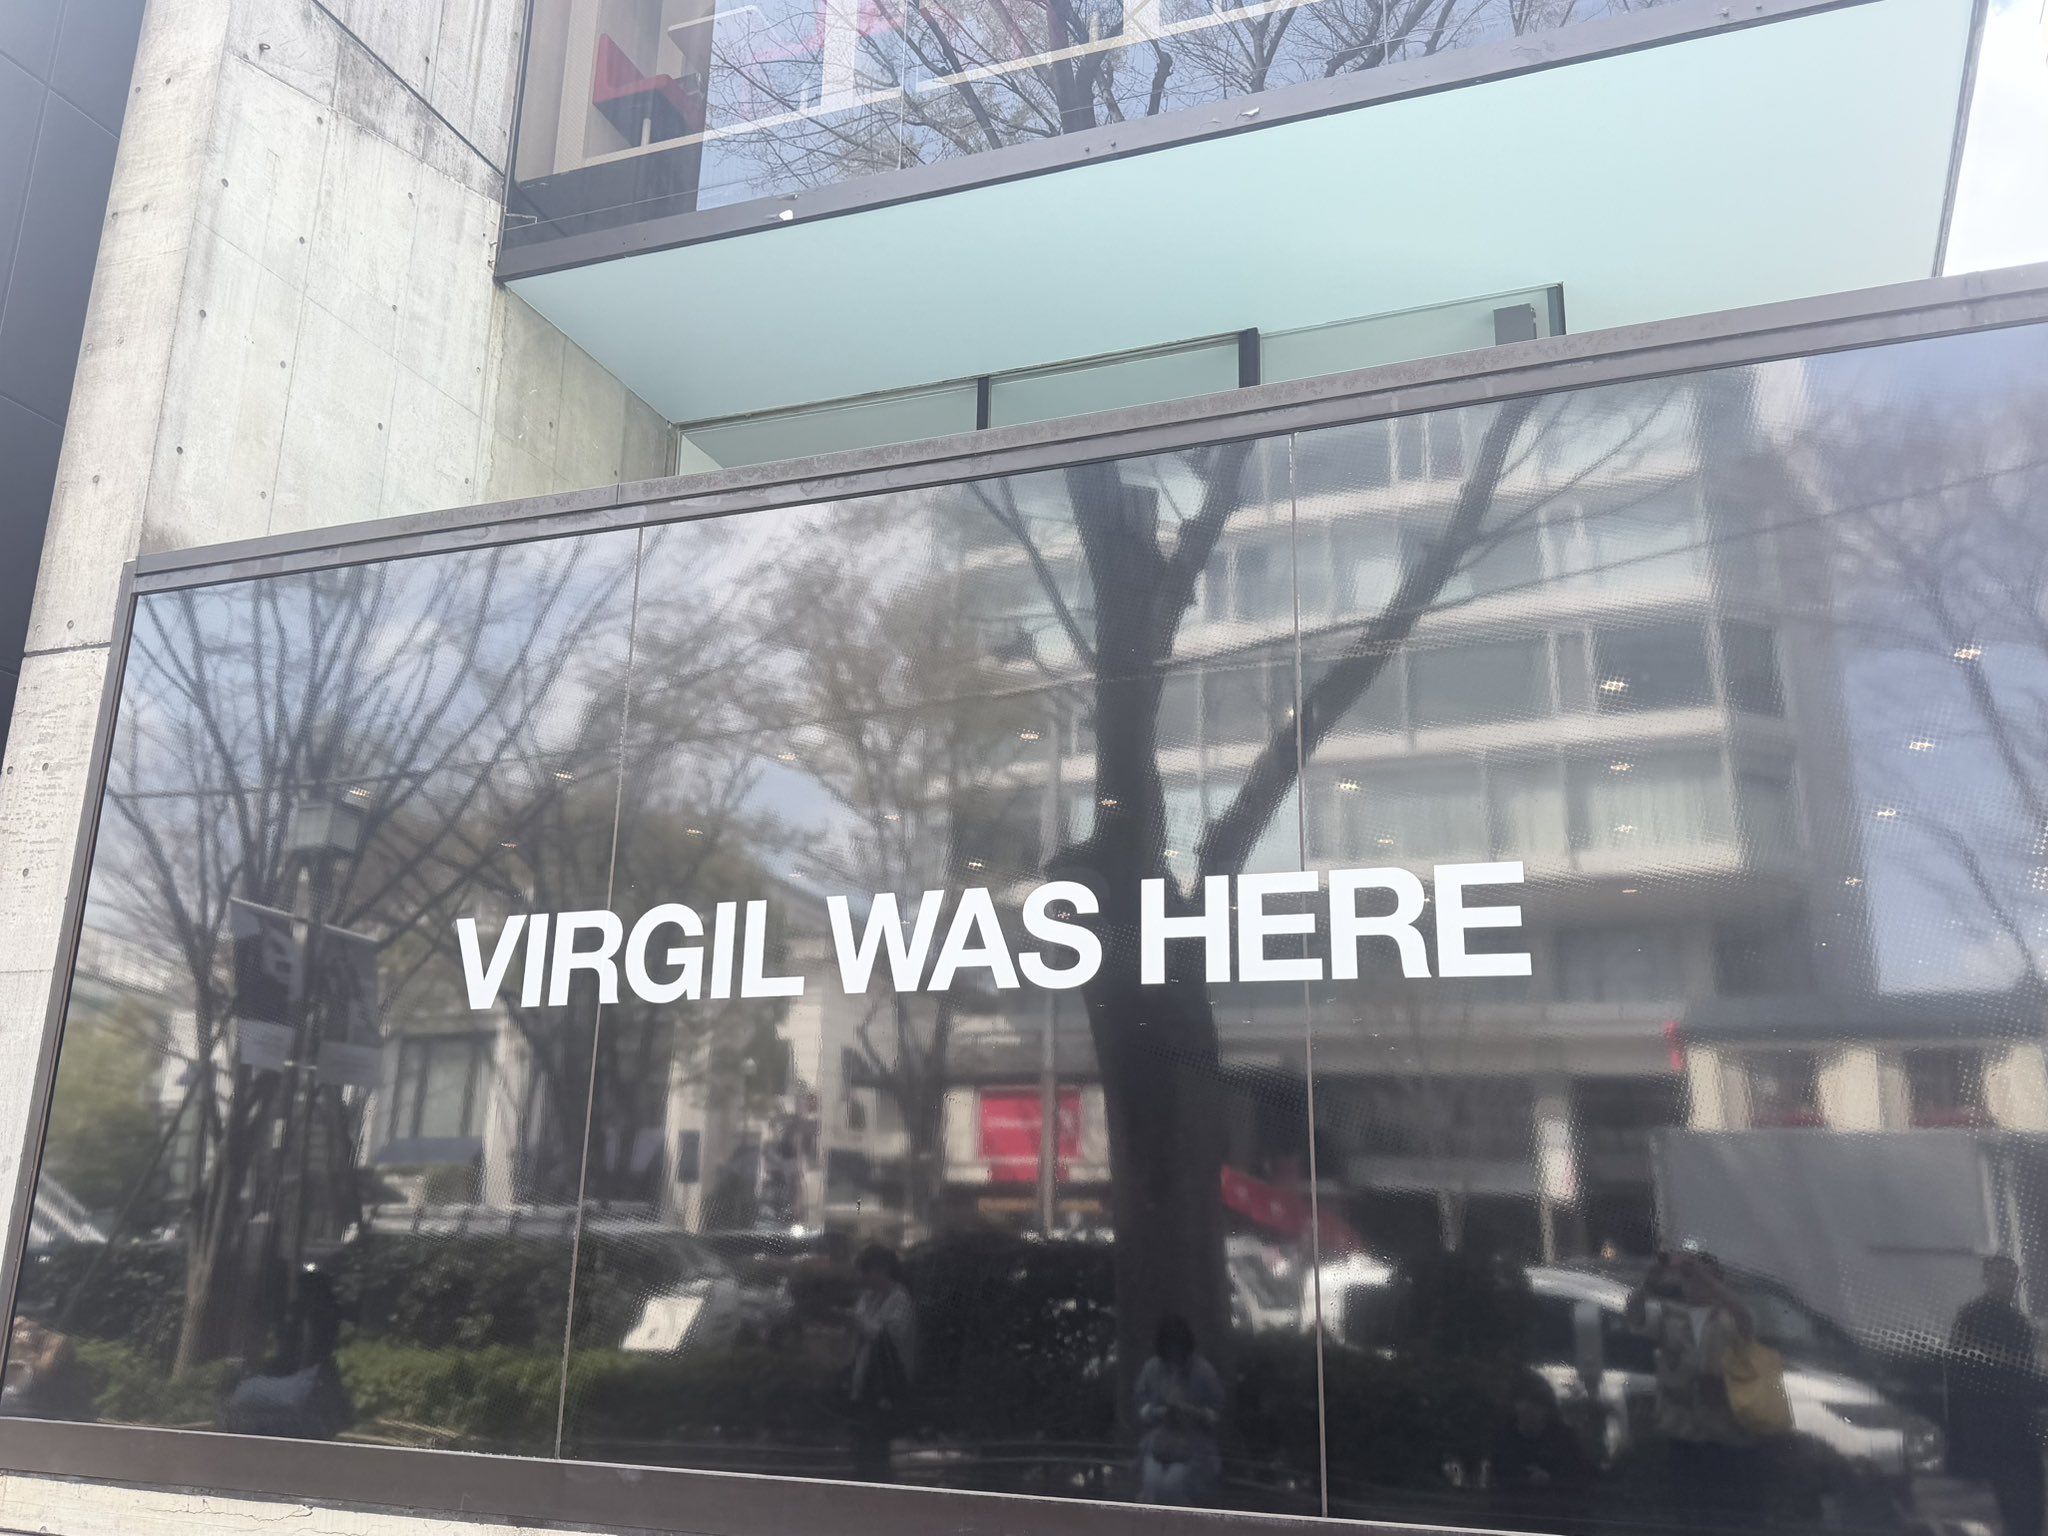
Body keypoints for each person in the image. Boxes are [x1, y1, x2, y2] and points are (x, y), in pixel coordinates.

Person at [1625, 1248, 1767, 1529]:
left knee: (1724, 1512)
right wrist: (1650, 1279)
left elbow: (1747, 1323)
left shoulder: (1729, 1317)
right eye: (1688, 1277)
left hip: (1723, 1432)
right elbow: (1634, 1317)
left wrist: (1707, 1280)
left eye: (1700, 1277)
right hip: (1680, 1430)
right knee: (1685, 1511)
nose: (1693, 1283)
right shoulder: (1668, 1314)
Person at [1948, 1255, 2044, 1536]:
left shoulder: (2019, 1322)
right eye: (2000, 1275)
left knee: (2025, 1500)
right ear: (1987, 1278)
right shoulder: (1970, 1316)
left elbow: (2027, 1370)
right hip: (1983, 1420)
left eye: (2012, 1276)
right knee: (1988, 1503)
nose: (2007, 1282)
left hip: (2016, 1423)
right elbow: (1960, 1361)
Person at [1488, 1372, 1594, 1534]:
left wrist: (1550, 1480)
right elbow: (1495, 1478)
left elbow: (1580, 1481)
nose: (1527, 1407)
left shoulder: (1566, 1440)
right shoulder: (1503, 1438)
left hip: (1556, 1521)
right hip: (1507, 1521)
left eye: (1536, 1402)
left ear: (1547, 1408)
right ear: (1514, 1405)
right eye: (1522, 1401)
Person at [1135, 1313, 1224, 1507]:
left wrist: (1193, 1412)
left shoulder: (1203, 1371)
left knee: (1172, 1486)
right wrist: (1156, 1412)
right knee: (1151, 1484)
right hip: (1160, 1442)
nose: (1173, 1353)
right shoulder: (1152, 1369)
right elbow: (1141, 1406)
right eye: (1169, 1348)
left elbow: (1216, 1413)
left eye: (1177, 1348)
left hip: (1194, 1444)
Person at [847, 1244, 916, 1482]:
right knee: (862, 1438)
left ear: (883, 1270)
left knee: (878, 1441)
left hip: (885, 1384)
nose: (864, 1278)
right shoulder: (868, 1297)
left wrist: (859, 1322)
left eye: (868, 1271)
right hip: (863, 1378)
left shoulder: (899, 1300)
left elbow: (889, 1337)